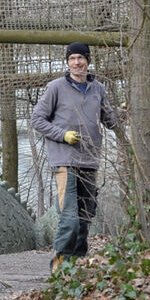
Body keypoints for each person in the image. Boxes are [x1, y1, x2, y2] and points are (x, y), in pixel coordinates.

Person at [31, 42, 118, 274]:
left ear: (88, 61)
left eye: (81, 58)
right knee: (69, 218)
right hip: (64, 162)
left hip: (90, 161)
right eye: (72, 58)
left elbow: (111, 121)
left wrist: (125, 111)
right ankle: (58, 268)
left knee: (85, 219)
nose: (77, 62)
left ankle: (75, 267)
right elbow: (37, 120)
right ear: (67, 62)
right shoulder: (56, 87)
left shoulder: (98, 88)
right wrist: (62, 135)